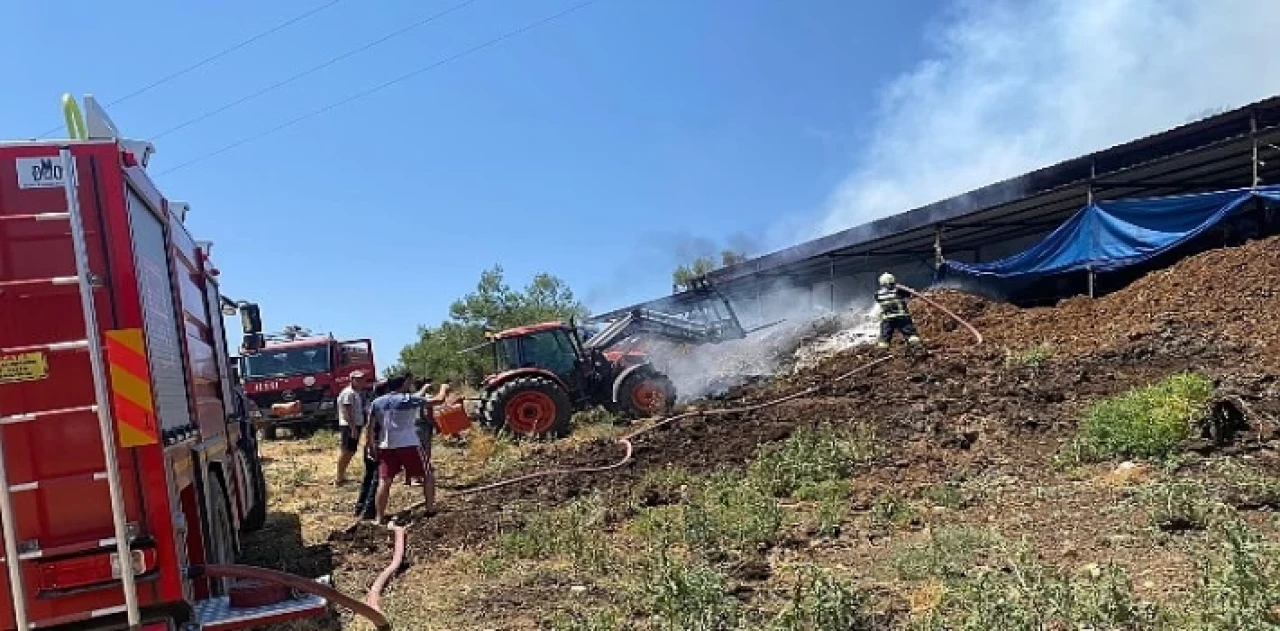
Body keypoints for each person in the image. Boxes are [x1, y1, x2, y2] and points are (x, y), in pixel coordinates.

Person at [366, 373, 450, 524]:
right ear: (404, 383)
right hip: (409, 444)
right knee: (428, 475)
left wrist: (371, 447)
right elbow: (438, 400)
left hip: (386, 446)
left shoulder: (377, 402)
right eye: (408, 382)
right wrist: (444, 388)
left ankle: (379, 518)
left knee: (384, 481)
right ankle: (430, 510)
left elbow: (370, 428)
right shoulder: (408, 399)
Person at [353, 379, 387, 520]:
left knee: (368, 477)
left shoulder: (370, 403)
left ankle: (359, 508)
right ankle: (368, 511)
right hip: (376, 445)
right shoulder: (381, 406)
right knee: (376, 479)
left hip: (368, 445)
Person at [334, 370, 369, 485]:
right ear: (352, 380)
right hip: (349, 426)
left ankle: (342, 475)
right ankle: (339, 477)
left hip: (355, 425)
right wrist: (353, 428)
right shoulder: (348, 393)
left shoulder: (357, 393)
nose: (361, 381)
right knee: (347, 451)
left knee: (351, 450)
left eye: (362, 379)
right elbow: (347, 412)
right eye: (357, 379)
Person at [875, 272, 923, 349]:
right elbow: (911, 294)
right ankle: (917, 348)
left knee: (884, 338)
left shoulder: (877, 294)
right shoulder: (898, 291)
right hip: (902, 317)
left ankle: (882, 351)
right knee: (911, 335)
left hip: (887, 319)